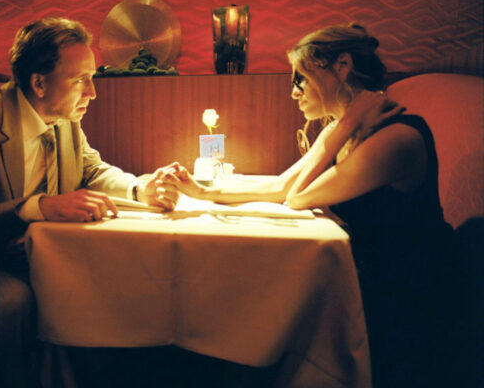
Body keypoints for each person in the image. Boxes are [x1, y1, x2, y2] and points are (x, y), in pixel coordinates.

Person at [0, 17, 180, 387]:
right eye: (80, 80)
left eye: (92, 77)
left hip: (42, 257)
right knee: (11, 299)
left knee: (124, 278)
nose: (92, 92)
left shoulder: (64, 116)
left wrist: (139, 189)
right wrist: (37, 207)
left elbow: (90, 168)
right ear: (39, 83)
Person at [166, 23, 454, 387]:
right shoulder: (345, 130)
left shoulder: (396, 137)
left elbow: (299, 196)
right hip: (363, 278)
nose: (294, 91)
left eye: (300, 78)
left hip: (406, 300)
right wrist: (202, 193)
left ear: (342, 66)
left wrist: (346, 123)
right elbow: (282, 185)